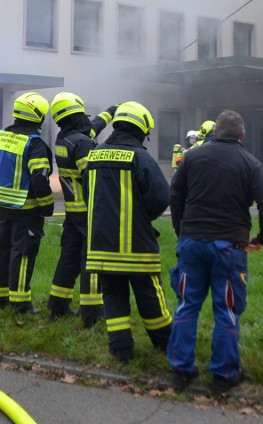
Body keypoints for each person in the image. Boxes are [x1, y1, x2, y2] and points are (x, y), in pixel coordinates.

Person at [167, 110, 263, 395]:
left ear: (215, 133)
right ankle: (223, 376)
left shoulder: (191, 158)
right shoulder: (251, 163)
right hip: (229, 246)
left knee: (186, 305)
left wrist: (182, 229)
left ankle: (181, 371)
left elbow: (175, 195)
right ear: (242, 136)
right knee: (226, 310)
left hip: (192, 243)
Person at [85, 101, 172, 362]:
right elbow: (161, 197)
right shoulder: (141, 157)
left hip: (101, 245)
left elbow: (90, 194)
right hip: (136, 246)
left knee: (113, 296)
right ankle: (165, 343)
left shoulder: (95, 155)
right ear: (140, 128)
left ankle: (121, 350)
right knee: (150, 296)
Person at [45, 92, 117, 325]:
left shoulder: (65, 139)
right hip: (88, 212)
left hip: (72, 213)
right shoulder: (83, 143)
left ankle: (58, 305)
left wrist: (112, 111)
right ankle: (92, 311)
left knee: (68, 258)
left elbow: (92, 127)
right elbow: (91, 179)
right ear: (76, 113)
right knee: (92, 262)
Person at [0, 92, 55, 313]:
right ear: (38, 117)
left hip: (1, 206)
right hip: (26, 209)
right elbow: (39, 178)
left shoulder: (1, 136)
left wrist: (0, 191)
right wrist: (46, 206)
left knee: (2, 249)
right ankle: (21, 303)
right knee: (23, 253)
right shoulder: (35, 144)